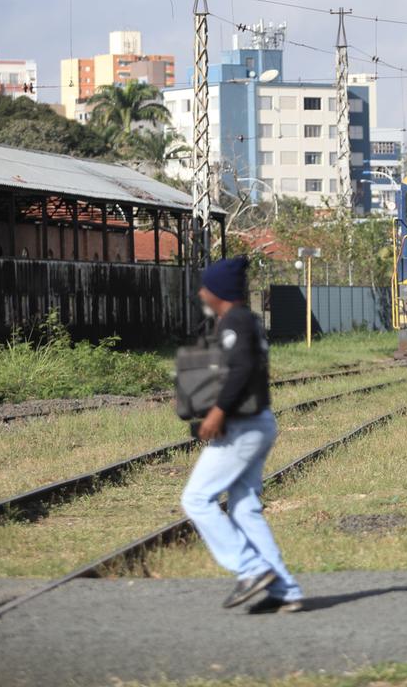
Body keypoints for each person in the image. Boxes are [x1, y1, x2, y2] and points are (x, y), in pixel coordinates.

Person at [180, 256, 304, 613]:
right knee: (245, 507)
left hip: (243, 428)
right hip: (257, 422)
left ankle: (250, 569)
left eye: (206, 286)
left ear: (218, 290)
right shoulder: (242, 320)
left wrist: (217, 412)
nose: (202, 291)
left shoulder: (235, 321)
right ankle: (286, 590)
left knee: (196, 499)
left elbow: (241, 369)